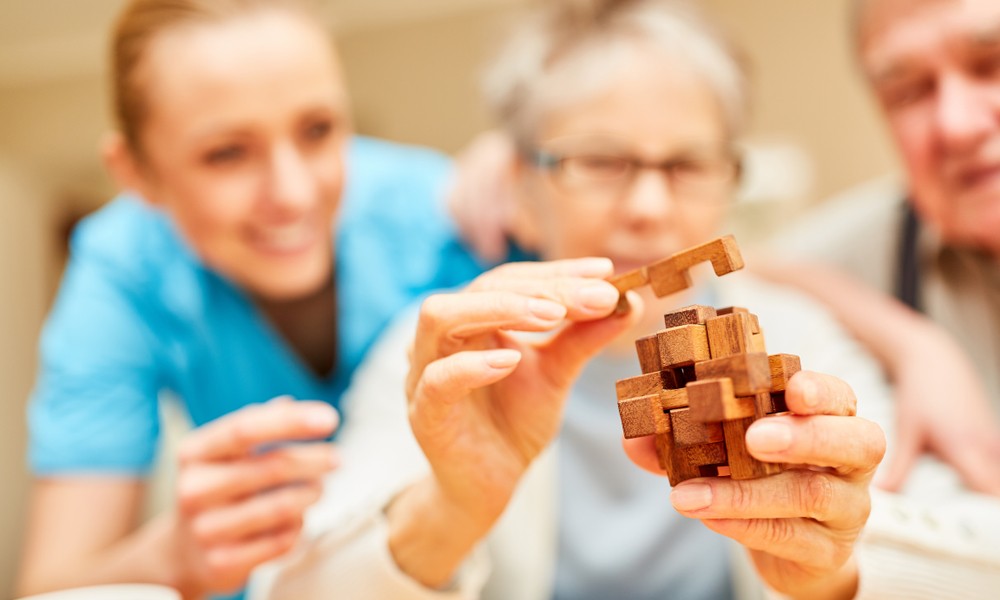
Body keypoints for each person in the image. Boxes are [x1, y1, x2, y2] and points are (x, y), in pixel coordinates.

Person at [250, 2, 890, 598]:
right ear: (522, 194)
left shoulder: (803, 340)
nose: (648, 207)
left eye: (688, 165)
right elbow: (292, 586)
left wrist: (831, 577)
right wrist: (451, 508)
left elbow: (939, 549)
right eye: (599, 162)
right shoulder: (445, 355)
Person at [16, 1, 488, 598]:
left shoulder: (450, 211)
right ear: (136, 172)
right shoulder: (121, 269)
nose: (291, 194)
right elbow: (50, 585)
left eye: (317, 130)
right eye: (227, 153)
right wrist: (171, 558)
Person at [762, 0, 1000, 496]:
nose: (956, 125)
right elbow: (737, 268)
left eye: (992, 62)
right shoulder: (868, 248)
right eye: (908, 92)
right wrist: (912, 343)